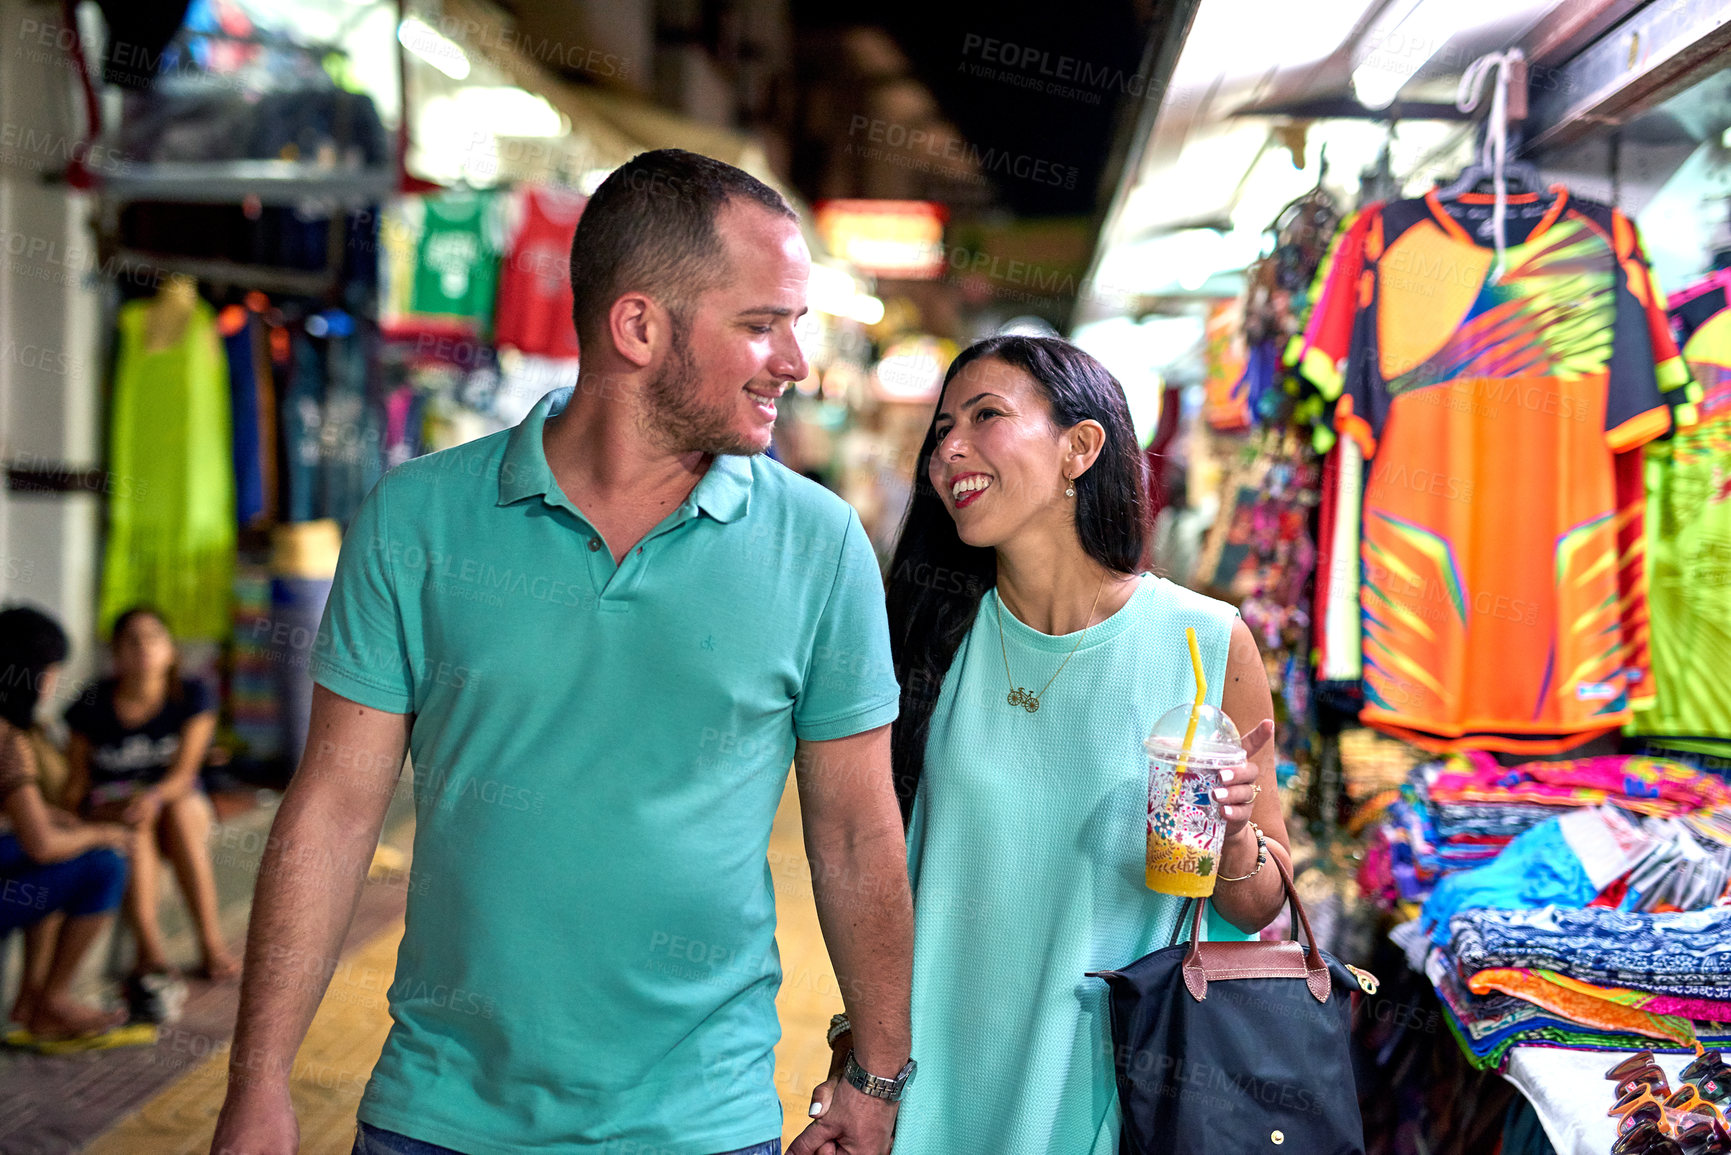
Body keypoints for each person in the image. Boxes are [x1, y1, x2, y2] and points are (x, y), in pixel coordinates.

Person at [210, 149, 913, 1155]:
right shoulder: (420, 515)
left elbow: (852, 833)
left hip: (706, 1125)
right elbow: (334, 809)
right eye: (762, 326)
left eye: (794, 326)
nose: (795, 363)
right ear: (638, 327)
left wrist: (877, 1078)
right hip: (437, 1116)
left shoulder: (819, 544)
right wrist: (257, 1084)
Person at [808, 336, 1293, 1151]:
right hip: (937, 1087)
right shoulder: (925, 638)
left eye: (986, 415)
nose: (948, 449)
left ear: (1080, 446)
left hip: (1117, 1093)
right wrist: (860, 1062)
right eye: (940, 429)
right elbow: (877, 877)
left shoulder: (1203, 644)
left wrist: (1235, 831)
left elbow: (1259, 901)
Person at [64, 605, 238, 985]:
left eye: (154, 637)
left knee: (176, 807)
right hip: (113, 806)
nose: (143, 647)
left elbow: (183, 775)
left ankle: (210, 944)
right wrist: (71, 821)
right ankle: (151, 951)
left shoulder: (193, 696)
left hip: (173, 801)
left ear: (171, 650)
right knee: (134, 818)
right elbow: (77, 781)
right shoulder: (91, 703)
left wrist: (153, 797)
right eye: (131, 639)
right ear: (116, 653)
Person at [0, 605, 134, 1043]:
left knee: (50, 852)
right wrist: (103, 833)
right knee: (103, 864)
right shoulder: (8, 740)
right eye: (54, 669)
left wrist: (52, 820)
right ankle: (52, 999)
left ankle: (31, 995)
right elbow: (41, 845)